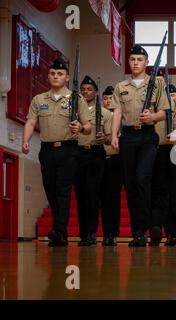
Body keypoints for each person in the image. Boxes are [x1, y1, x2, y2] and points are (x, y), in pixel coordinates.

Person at [22, 58, 92, 246]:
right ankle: (60, 231)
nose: (56, 76)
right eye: (52, 73)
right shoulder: (39, 99)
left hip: (68, 149)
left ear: (67, 77)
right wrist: (25, 140)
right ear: (48, 76)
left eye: (60, 74)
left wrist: (80, 127)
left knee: (63, 190)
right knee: (50, 189)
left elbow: (88, 125)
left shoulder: (77, 99)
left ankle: (59, 230)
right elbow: (30, 122)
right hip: (46, 150)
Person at [110, 45, 170, 247]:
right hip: (127, 136)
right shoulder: (120, 87)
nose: (136, 63)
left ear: (146, 63)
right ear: (129, 62)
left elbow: (164, 112)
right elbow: (117, 112)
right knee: (130, 184)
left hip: (147, 137)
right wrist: (114, 135)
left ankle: (147, 226)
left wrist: (152, 116)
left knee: (142, 178)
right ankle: (138, 232)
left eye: (140, 59)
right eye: (133, 59)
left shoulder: (156, 85)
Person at [75, 76, 112, 246]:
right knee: (80, 195)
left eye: (89, 89)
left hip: (96, 154)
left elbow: (111, 137)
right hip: (77, 154)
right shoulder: (74, 109)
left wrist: (104, 138)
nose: (85, 92)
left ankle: (91, 233)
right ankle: (83, 234)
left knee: (91, 194)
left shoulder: (105, 113)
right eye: (83, 89)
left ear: (96, 92)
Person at [152, 82, 176, 246]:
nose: (171, 98)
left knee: (173, 195)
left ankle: (172, 233)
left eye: (173, 95)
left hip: (175, 153)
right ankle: (156, 229)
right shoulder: (154, 107)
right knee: (158, 193)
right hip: (157, 151)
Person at [100, 86, 122, 246]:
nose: (108, 101)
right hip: (100, 159)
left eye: (110, 98)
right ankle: (105, 232)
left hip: (116, 159)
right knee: (102, 198)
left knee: (113, 198)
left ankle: (113, 233)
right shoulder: (98, 115)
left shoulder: (121, 116)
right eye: (105, 98)